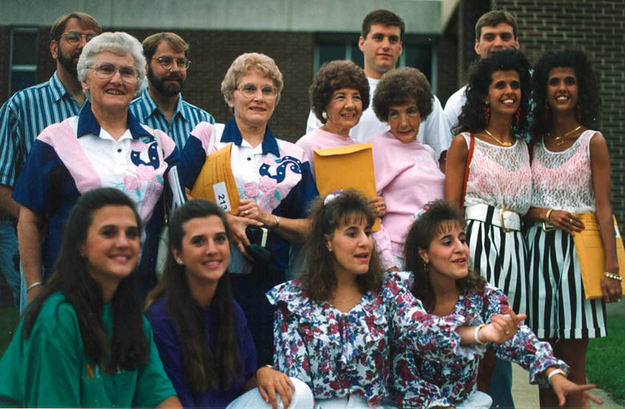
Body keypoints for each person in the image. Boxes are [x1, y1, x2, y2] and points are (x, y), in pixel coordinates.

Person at [267, 189, 520, 408]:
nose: (365, 242)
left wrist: (482, 334)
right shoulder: (293, 301)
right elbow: (294, 383)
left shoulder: (388, 290)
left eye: (368, 232)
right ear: (328, 242)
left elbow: (423, 330)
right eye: (352, 233)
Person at [13, 32, 181, 304]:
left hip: (141, 296)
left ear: (138, 82)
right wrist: (33, 286)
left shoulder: (161, 145)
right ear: (85, 80)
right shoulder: (54, 140)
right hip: (72, 294)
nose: (117, 79)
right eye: (105, 69)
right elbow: (29, 220)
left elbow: (182, 211)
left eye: (127, 72)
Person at [179, 52, 318, 368]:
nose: (259, 97)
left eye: (267, 90)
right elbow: (175, 197)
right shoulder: (208, 137)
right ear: (230, 96)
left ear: (277, 99)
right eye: (249, 88)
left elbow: (314, 227)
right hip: (205, 278)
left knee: (257, 373)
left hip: (264, 288)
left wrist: (271, 220)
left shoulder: (293, 156)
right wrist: (225, 220)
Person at [394, 199, 602, 409]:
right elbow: (416, 332)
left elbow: (515, 335)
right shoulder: (401, 289)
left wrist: (553, 372)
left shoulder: (482, 294)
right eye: (447, 242)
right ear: (424, 253)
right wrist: (481, 333)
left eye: (463, 239)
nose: (461, 249)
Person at [0, 188, 180, 408]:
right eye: (108, 233)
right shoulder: (56, 319)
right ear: (81, 245)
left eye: (131, 234)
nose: (123, 242)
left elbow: (159, 396)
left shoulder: (134, 321)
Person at [145, 199, 312, 409]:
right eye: (199, 242)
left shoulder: (230, 310)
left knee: (296, 392)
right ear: (178, 254)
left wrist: (263, 372)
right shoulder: (160, 318)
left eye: (220, 239)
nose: (212, 249)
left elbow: (244, 386)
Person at [526, 49, 622, 408]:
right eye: (554, 81)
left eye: (570, 81)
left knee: (573, 369)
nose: (562, 88)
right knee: (544, 367)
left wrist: (612, 270)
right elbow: (524, 205)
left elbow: (603, 208)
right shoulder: (533, 144)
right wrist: (544, 213)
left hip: (578, 258)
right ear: (544, 90)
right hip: (537, 257)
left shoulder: (592, 141)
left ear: (582, 88)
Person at [445, 49, 532, 407]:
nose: (509, 91)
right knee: (477, 338)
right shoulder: (466, 142)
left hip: (516, 250)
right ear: (485, 93)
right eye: (500, 85)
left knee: (504, 338)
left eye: (515, 85)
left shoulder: (525, 146)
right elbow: (451, 211)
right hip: (476, 244)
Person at [0, 12, 101, 308]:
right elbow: (2, 183)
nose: (83, 45)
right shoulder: (22, 105)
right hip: (39, 242)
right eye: (74, 38)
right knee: (43, 326)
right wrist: (40, 223)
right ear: (54, 48)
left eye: (91, 39)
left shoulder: (109, 106)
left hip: (96, 242)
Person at [305, 9, 450, 158]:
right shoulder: (333, 94)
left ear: (400, 47)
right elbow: (313, 151)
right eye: (378, 38)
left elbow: (443, 158)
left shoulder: (424, 98)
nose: (386, 45)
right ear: (362, 43)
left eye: (392, 39)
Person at [370, 67, 444, 269]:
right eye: (395, 114)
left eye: (410, 111)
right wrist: (388, 264)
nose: (403, 122)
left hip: (430, 257)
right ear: (385, 116)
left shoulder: (429, 152)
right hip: (396, 259)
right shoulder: (377, 147)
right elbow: (369, 215)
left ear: (422, 112)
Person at [129, 32, 214, 149]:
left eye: (181, 62)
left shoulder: (203, 120)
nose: (175, 69)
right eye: (165, 61)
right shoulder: (126, 116)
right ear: (145, 66)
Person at [444, 10, 520, 133]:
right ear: (477, 46)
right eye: (489, 38)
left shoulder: (538, 92)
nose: (498, 43)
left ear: (516, 43)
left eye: (505, 37)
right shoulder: (458, 104)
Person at [296, 59, 369, 178]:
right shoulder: (308, 145)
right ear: (324, 103)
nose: (350, 105)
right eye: (341, 97)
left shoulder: (359, 148)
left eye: (356, 97)